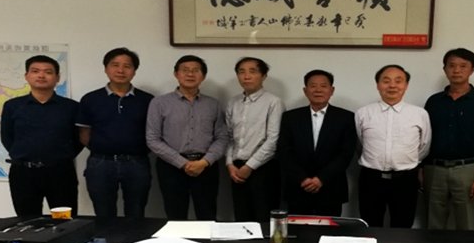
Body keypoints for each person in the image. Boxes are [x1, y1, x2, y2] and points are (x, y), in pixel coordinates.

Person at [422, 48, 474, 230]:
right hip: (434, 170)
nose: (456, 70)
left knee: (469, 224)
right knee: (433, 223)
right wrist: (422, 169)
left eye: (463, 66)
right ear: (445, 69)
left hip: (469, 170)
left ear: (472, 69)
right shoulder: (434, 101)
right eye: (452, 66)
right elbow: (424, 138)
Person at [146, 55, 228, 220]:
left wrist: (204, 162)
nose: (190, 74)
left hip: (206, 166)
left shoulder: (213, 104)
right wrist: (182, 163)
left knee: (207, 216)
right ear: (176, 74)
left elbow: (222, 137)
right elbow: (153, 139)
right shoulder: (159, 103)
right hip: (171, 166)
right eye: (185, 70)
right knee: (175, 217)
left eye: (195, 70)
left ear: (203, 76)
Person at [0, 55, 82, 218]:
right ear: (27, 76)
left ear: (57, 78)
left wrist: (62, 157)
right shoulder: (13, 106)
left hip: (61, 173)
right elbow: (7, 137)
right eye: (35, 71)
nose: (41, 75)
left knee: (64, 221)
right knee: (27, 221)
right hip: (23, 173)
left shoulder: (71, 107)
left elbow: (78, 139)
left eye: (48, 72)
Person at [76, 47, 154, 219]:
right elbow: (84, 133)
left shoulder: (148, 100)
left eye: (127, 66)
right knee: (103, 214)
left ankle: (133, 238)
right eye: (115, 65)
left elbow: (154, 133)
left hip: (137, 162)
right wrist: (103, 148)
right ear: (106, 69)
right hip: (101, 163)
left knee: (136, 212)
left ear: (134, 71)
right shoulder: (90, 99)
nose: (121, 70)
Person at [355, 64, 431, 227]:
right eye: (386, 81)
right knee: (370, 226)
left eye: (398, 81)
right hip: (371, 179)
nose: (392, 85)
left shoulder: (419, 114)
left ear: (406, 85)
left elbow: (424, 146)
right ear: (378, 85)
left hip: (406, 180)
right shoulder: (363, 113)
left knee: (403, 227)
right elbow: (360, 144)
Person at [278, 69, 356, 216]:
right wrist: (302, 178)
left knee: (329, 229)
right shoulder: (290, 117)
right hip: (298, 187)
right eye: (313, 86)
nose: (318, 90)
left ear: (332, 90)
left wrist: (321, 179)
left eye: (323, 86)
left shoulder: (346, 117)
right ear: (305, 90)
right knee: (298, 229)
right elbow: (284, 151)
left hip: (331, 187)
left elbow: (346, 154)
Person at [226, 57, 284, 222]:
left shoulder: (273, 102)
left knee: (263, 218)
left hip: (264, 168)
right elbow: (229, 137)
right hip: (237, 169)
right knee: (241, 218)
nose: (246, 76)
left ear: (263, 76)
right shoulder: (233, 102)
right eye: (241, 72)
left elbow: (273, 139)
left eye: (253, 71)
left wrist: (250, 166)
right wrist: (229, 164)